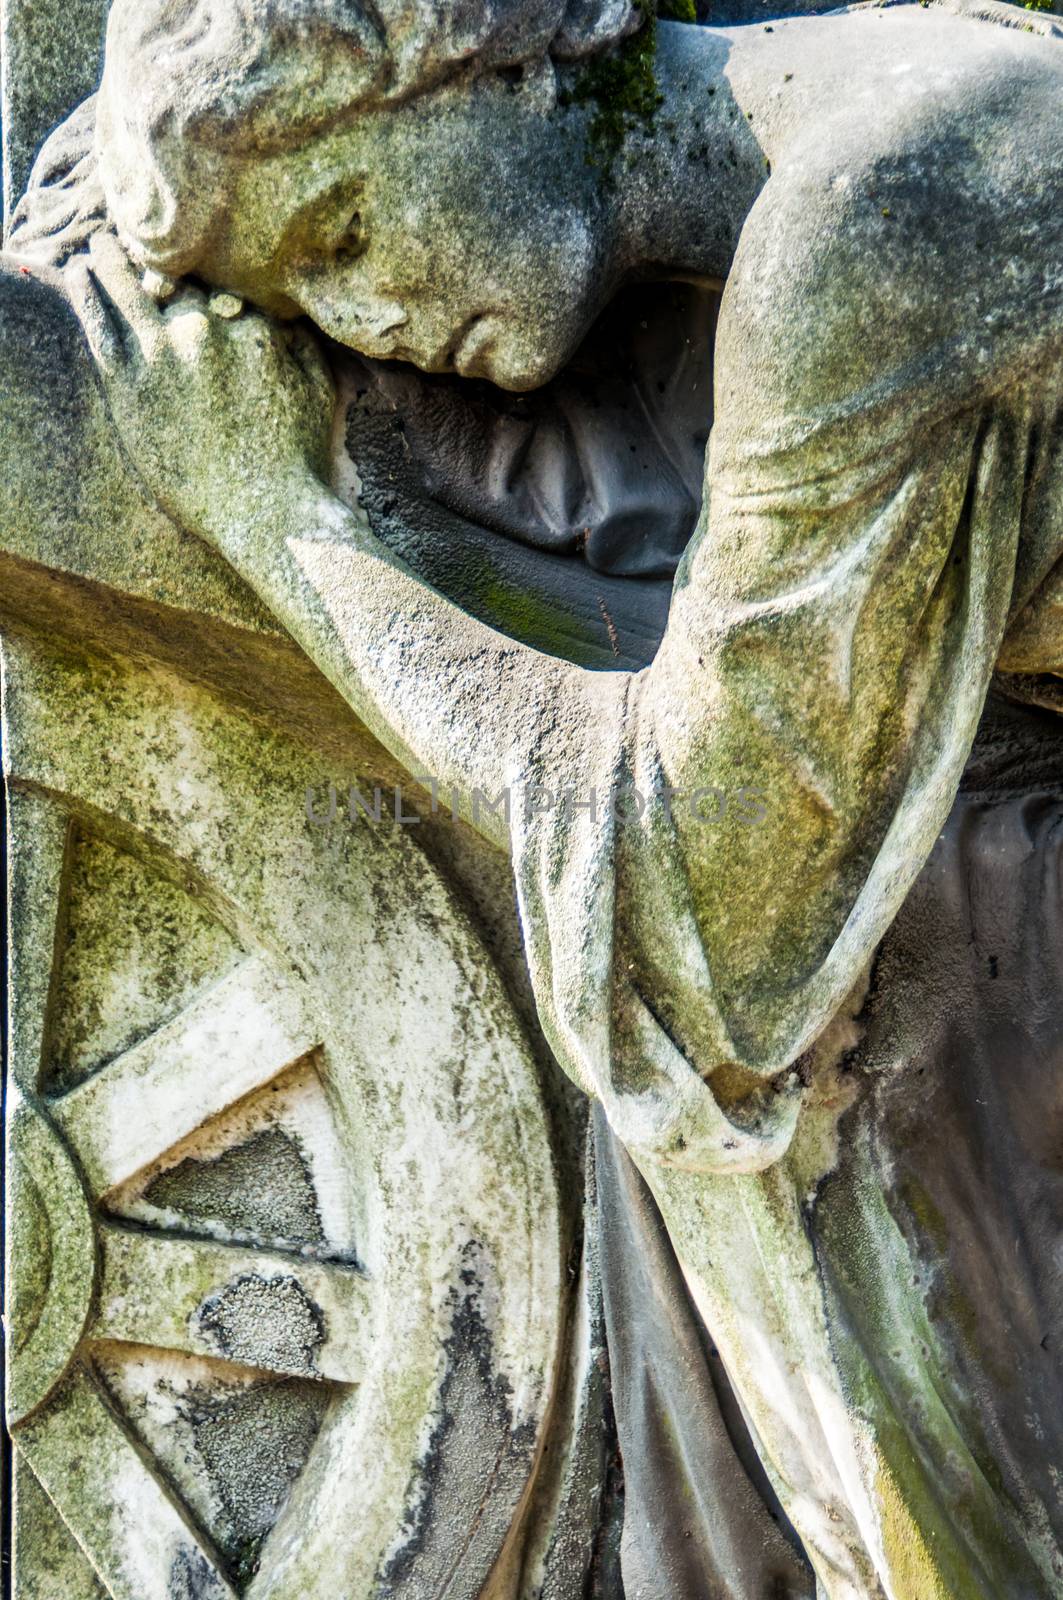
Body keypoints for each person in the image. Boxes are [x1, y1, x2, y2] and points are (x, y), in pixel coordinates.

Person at [8, 0, 1063, 1591]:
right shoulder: (820, 170)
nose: (369, 318)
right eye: (314, 296)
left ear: (486, 59)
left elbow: (704, 907)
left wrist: (284, 535)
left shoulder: (892, 209)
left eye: (349, 228)